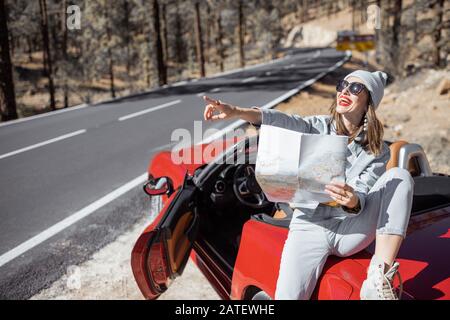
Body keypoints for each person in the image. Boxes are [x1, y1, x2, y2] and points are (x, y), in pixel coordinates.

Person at [202, 70, 414, 300]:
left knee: (400, 177)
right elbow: (279, 120)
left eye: (355, 88)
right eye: (343, 85)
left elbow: (362, 198)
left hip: (349, 229)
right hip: (308, 227)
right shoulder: (316, 126)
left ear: (369, 100)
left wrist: (353, 200)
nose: (345, 91)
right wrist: (235, 112)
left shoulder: (377, 152)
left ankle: (377, 279)